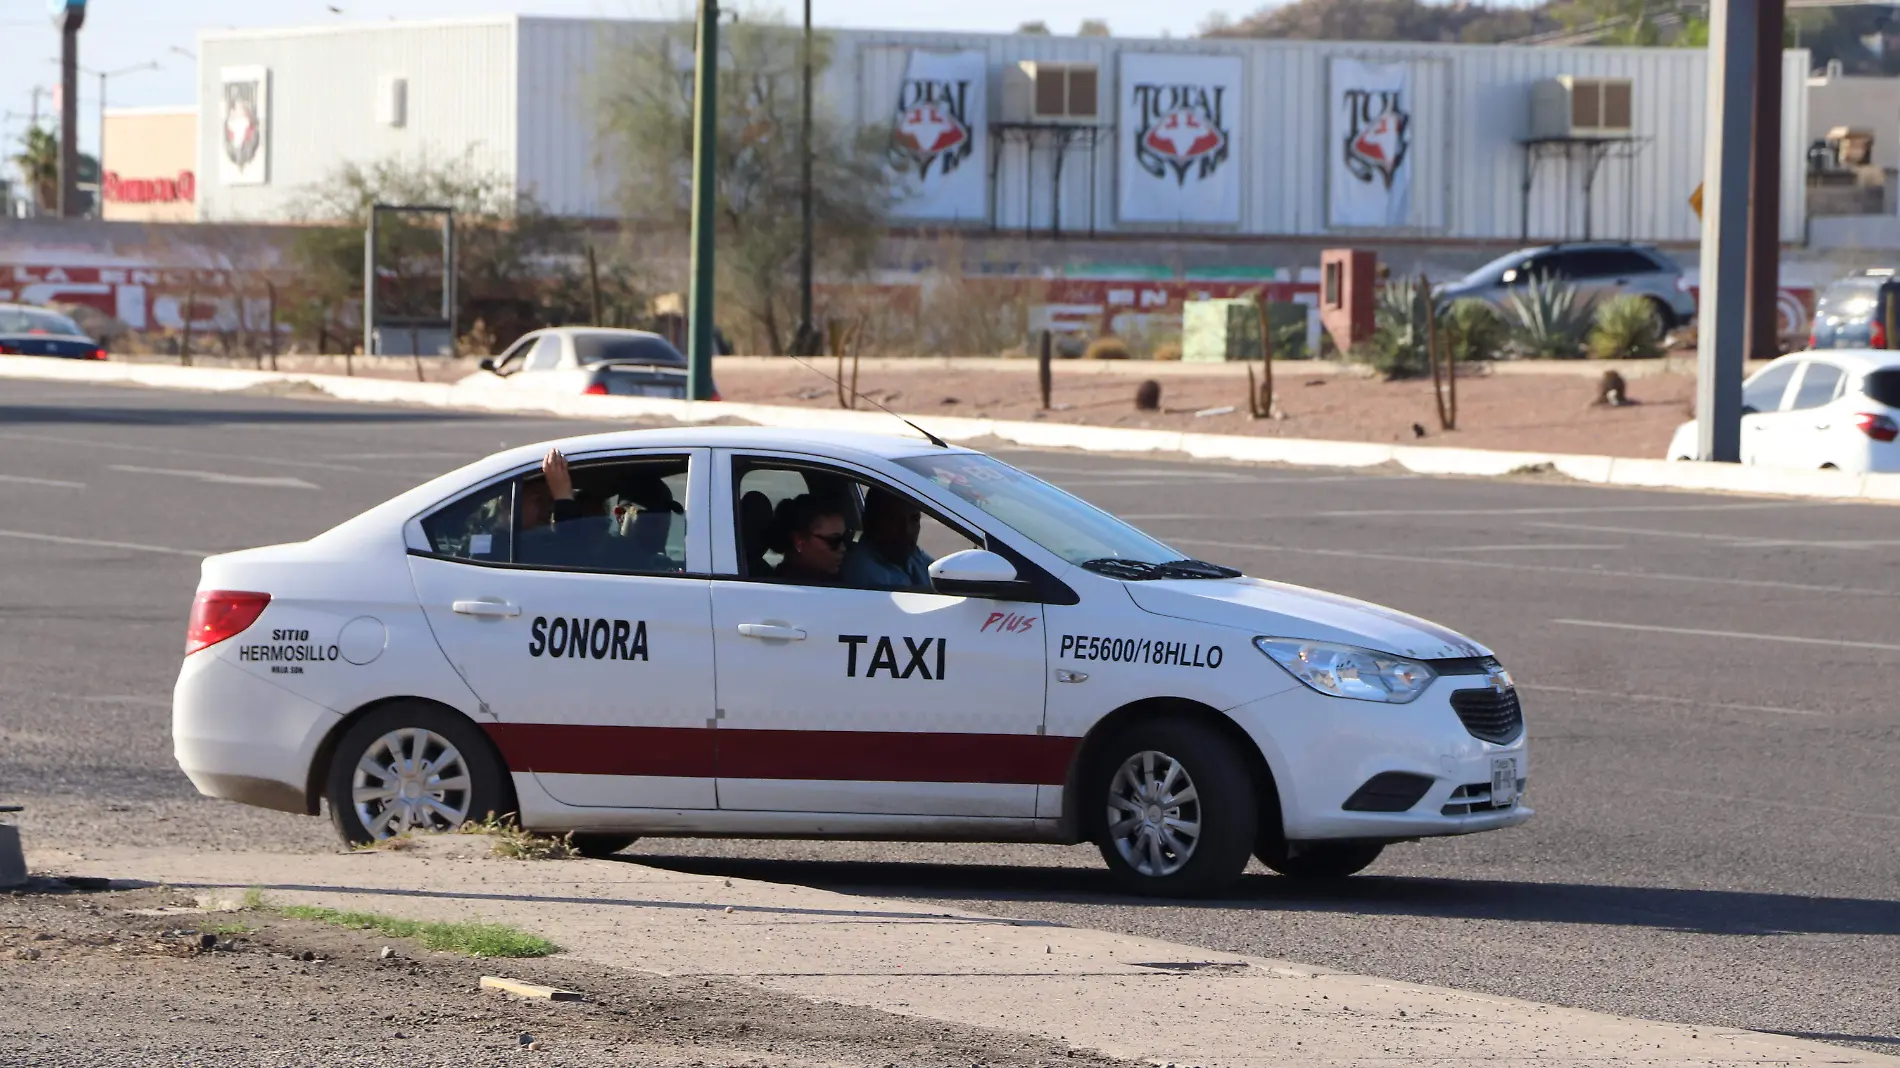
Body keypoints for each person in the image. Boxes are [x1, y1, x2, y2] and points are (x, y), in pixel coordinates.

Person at [841, 490, 934, 591]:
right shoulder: (864, 573)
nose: (908, 530)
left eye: (914, 519)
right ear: (869, 522)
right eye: (895, 520)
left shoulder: (910, 554)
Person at [772, 494, 848, 583]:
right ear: (799, 542)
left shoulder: (827, 579)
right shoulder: (793, 586)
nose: (843, 548)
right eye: (834, 541)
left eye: (846, 538)